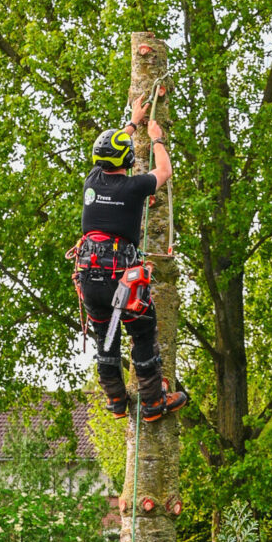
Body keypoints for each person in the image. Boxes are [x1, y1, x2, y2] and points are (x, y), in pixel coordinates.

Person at [74, 94, 188, 422]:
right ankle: (152, 400)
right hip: (119, 279)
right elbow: (164, 170)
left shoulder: (92, 182)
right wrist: (156, 138)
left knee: (106, 335)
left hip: (89, 276)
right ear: (125, 160)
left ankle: (115, 400)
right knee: (142, 331)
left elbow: (113, 152)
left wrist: (132, 122)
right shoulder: (134, 187)